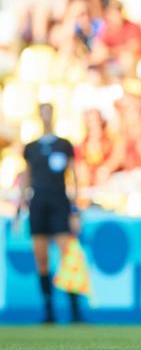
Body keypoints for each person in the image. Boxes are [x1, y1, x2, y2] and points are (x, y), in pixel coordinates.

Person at [18, 103, 82, 323]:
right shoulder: (31, 148)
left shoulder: (64, 145)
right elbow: (25, 178)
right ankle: (49, 311)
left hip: (59, 203)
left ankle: (74, 310)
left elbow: (73, 178)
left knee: (68, 256)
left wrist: (74, 209)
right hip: (38, 204)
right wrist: (21, 202)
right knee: (42, 258)